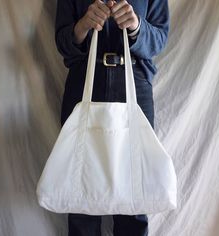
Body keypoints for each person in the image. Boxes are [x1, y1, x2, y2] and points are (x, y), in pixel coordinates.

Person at [55, 0, 170, 235]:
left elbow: (159, 38)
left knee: (133, 194)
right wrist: (83, 26)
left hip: (134, 85)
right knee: (82, 193)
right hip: (83, 84)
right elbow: (62, 41)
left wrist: (136, 26)